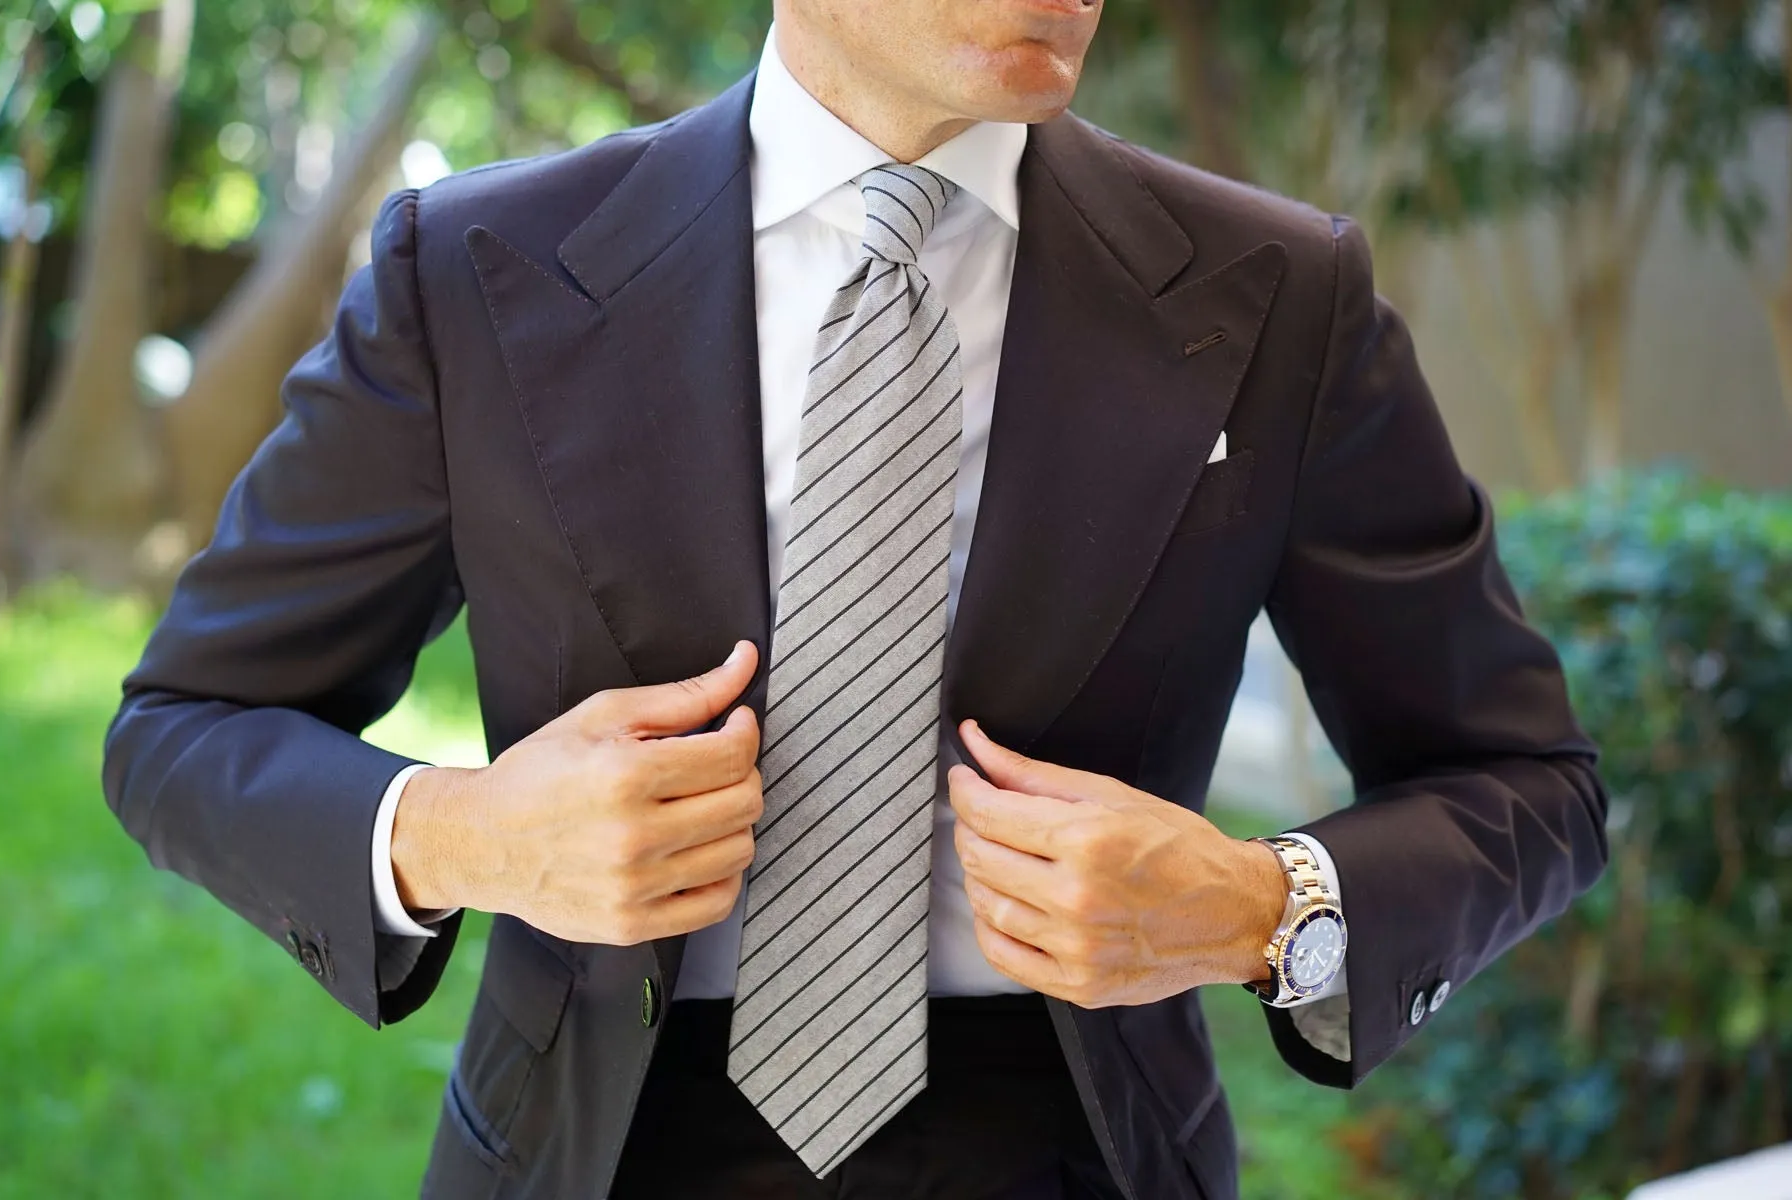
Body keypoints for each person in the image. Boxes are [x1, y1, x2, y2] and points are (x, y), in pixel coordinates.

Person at [103, 2, 1610, 1197]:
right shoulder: (476, 270)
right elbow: (184, 726)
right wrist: (460, 835)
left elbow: (1527, 784)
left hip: (1079, 1143)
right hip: (597, 1144)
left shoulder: (1279, 294)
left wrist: (1262, 907)